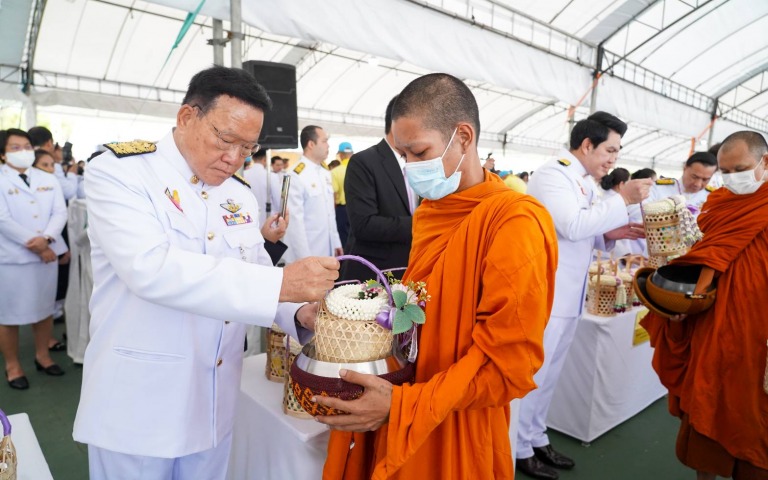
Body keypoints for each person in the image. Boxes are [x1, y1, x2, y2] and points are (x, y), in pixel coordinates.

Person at [72, 66, 340, 479]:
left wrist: (297, 313)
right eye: (225, 138)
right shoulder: (122, 171)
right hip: (139, 405)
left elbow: (255, 272)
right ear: (186, 117)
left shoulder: (239, 195)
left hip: (213, 403)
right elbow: (151, 269)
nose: (234, 158)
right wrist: (282, 284)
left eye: (248, 148)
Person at [318, 73, 558, 480]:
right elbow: (422, 306)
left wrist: (403, 406)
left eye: (418, 152)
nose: (410, 167)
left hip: (460, 416)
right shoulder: (432, 209)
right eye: (403, 156)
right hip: (407, 389)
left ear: (463, 136)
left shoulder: (514, 221)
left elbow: (507, 364)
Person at [516, 111, 652, 480]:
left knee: (551, 375)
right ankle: (518, 448)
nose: (613, 159)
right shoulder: (553, 174)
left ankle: (535, 437)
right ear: (587, 144)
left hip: (570, 295)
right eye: (609, 150)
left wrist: (608, 234)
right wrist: (621, 198)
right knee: (535, 376)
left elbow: (585, 234)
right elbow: (573, 226)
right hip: (549, 293)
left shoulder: (584, 181)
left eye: (618, 152)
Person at [641, 131, 768, 480]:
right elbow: (703, 257)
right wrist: (681, 298)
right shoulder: (719, 203)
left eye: (740, 169)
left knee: (754, 419)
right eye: (725, 172)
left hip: (758, 336)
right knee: (704, 403)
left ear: (765, 163)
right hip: (711, 326)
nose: (732, 179)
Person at [0, 128, 68, 390]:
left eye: (26, 146)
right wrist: (39, 246)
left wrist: (48, 238)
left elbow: (59, 213)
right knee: (9, 316)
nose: (23, 151)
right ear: (4, 155)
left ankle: (43, 356)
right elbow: (3, 219)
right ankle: (13, 365)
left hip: (45, 256)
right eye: (15, 148)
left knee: (43, 311)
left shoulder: (47, 178)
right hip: (13, 258)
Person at [341, 96, 414, 282]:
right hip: (377, 275)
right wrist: (421, 223)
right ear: (397, 123)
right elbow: (364, 225)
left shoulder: (420, 162)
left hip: (412, 271)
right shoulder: (364, 162)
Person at [282, 125, 343, 262]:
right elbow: (294, 223)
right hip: (307, 253)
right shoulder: (295, 175)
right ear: (311, 144)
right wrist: (305, 259)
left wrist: (336, 242)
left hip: (327, 251)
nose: (328, 145)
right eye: (324, 141)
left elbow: (330, 214)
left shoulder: (325, 173)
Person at [647, 152, 717, 216]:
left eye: (705, 180)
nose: (698, 184)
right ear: (685, 168)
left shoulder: (713, 197)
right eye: (694, 177)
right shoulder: (658, 188)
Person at [28, 126, 79, 201]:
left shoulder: (26, 160)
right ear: (49, 143)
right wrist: (72, 173)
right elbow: (68, 192)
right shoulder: (51, 164)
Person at [243, 148, 281, 225]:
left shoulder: (243, 174)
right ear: (265, 159)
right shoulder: (272, 176)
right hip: (268, 221)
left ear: (253, 157)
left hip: (247, 220)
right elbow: (278, 201)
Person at [331, 141, 354, 247]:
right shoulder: (361, 169)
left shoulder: (335, 171)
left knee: (343, 238)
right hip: (358, 209)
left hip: (342, 210)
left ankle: (344, 261)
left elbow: (334, 195)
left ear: (340, 154)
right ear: (352, 153)